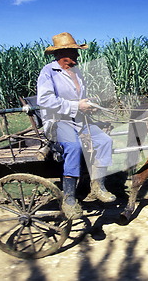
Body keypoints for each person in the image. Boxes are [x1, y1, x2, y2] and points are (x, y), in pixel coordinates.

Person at [37, 32, 116, 219]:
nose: (77, 57)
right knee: (73, 146)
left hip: (78, 120)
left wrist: (88, 105)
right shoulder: (48, 72)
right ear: (60, 54)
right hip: (58, 122)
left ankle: (98, 186)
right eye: (73, 53)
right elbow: (45, 100)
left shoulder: (76, 72)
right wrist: (75, 106)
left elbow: (80, 99)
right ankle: (69, 199)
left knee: (105, 141)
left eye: (76, 53)